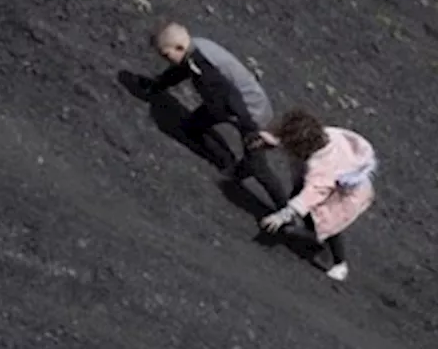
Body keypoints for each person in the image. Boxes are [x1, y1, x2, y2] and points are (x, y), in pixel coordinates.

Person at [138, 22, 290, 212]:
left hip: (249, 113)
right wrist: (158, 84)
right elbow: (182, 71)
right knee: (194, 125)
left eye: (166, 55)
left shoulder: (202, 64)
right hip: (234, 105)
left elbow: (228, 97)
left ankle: (286, 210)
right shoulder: (197, 48)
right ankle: (233, 166)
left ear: (179, 47)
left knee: (258, 165)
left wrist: (245, 127)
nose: (165, 60)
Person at [260, 108, 378, 282]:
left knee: (330, 223)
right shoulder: (329, 136)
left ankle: (340, 264)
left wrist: (283, 215)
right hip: (340, 186)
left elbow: (311, 194)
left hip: (345, 198)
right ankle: (311, 232)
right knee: (301, 199)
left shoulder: (321, 168)